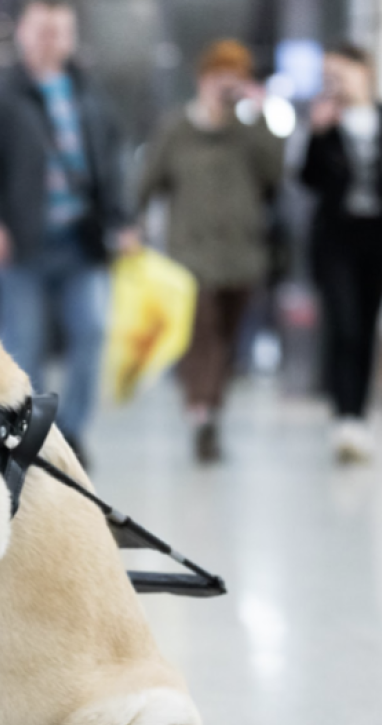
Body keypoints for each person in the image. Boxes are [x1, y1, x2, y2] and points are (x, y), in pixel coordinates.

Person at [0, 0, 128, 466]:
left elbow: (110, 161)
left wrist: (122, 218)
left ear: (71, 37)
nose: (50, 40)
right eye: (41, 30)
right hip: (23, 243)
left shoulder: (88, 92)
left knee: (92, 331)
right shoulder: (1, 94)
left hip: (82, 241)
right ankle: (26, 437)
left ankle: (71, 431)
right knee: (23, 343)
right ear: (24, 35)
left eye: (58, 31)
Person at [123, 39, 284, 464]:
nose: (226, 86)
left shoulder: (249, 132)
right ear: (202, 80)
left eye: (236, 78)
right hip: (189, 256)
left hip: (241, 253)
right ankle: (200, 415)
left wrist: (260, 112)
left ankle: (211, 410)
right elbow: (149, 181)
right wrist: (131, 224)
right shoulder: (176, 129)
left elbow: (276, 174)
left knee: (228, 341)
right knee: (202, 337)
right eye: (220, 77)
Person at [301, 42, 382, 464]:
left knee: (368, 325)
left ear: (364, 71)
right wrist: (317, 135)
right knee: (345, 325)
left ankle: (360, 416)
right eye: (328, 75)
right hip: (334, 237)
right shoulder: (326, 122)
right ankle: (343, 418)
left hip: (378, 235)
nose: (335, 82)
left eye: (341, 72)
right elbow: (307, 179)